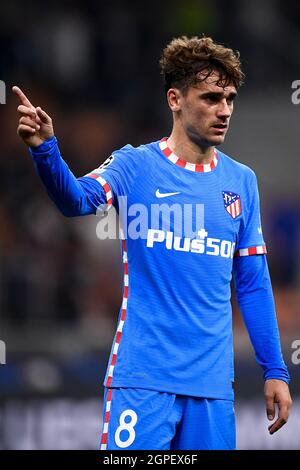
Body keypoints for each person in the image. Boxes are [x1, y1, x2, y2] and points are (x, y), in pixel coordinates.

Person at [13, 35, 292, 450]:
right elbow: (75, 201)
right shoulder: (135, 165)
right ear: (175, 99)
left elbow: (252, 284)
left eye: (230, 99)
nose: (224, 110)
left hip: (212, 387)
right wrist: (45, 151)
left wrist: (275, 370)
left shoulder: (242, 183)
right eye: (212, 97)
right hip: (142, 379)